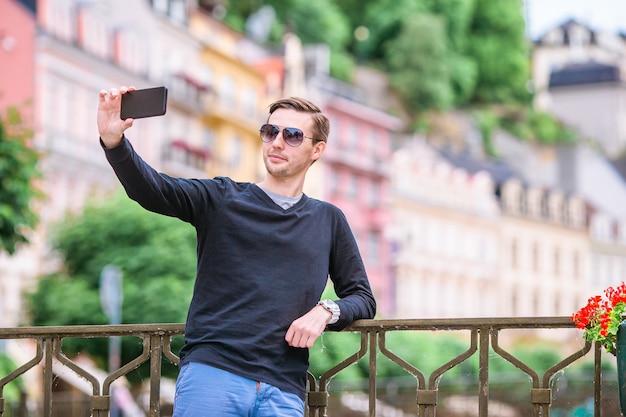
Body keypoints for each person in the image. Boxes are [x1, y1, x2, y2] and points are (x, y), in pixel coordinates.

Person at [97, 86, 376, 417]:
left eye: (292, 135)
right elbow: (153, 189)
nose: (276, 142)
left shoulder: (329, 220)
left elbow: (363, 298)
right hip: (213, 376)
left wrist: (325, 311)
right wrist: (114, 143)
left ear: (317, 149)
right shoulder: (221, 198)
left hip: (283, 387)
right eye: (270, 131)